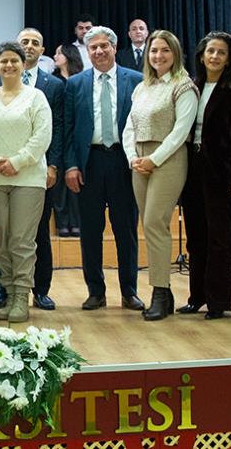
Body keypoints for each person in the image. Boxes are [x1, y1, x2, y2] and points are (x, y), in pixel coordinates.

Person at [64, 25, 145, 312]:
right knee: (90, 232)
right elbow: (68, 129)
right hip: (90, 163)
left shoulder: (136, 80)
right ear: (87, 51)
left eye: (103, 46)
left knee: (126, 231)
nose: (99, 51)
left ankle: (129, 291)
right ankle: (95, 292)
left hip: (124, 162)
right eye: (93, 47)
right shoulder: (75, 84)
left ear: (114, 47)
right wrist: (71, 165)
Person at [0, 42, 53, 322]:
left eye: (14, 61)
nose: (9, 65)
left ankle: (21, 297)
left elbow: (42, 137)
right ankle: (7, 291)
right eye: (4, 61)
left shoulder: (36, 97)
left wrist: (16, 162)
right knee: (3, 240)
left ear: (23, 64)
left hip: (28, 178)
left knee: (22, 240)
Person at [122, 30, 199, 321]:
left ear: (175, 53)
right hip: (140, 160)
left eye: (165, 50)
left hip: (168, 159)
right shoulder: (142, 87)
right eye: (154, 50)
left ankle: (160, 292)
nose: (158, 55)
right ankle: (164, 294)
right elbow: (129, 126)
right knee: (149, 224)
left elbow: (181, 131)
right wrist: (133, 158)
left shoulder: (183, 85)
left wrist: (154, 159)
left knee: (155, 222)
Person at [0, 27, 64, 313]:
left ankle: (38, 290)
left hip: (35, 172)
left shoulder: (52, 85)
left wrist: (52, 165)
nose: (29, 46)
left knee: (35, 234)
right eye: (24, 42)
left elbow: (56, 129)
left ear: (42, 51)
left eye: (35, 43)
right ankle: (3, 291)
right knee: (5, 235)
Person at [178, 32, 231, 320]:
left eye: (221, 52)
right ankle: (196, 296)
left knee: (218, 238)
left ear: (229, 59)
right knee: (195, 236)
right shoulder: (192, 85)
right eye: (210, 51)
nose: (215, 56)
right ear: (201, 55)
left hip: (221, 172)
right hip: (192, 168)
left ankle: (218, 301)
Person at [51, 42, 84, 236]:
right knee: (59, 183)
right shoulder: (53, 80)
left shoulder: (81, 80)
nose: (55, 57)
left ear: (69, 56)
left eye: (59, 53)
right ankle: (62, 222)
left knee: (76, 179)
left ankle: (76, 221)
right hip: (57, 134)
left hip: (76, 135)